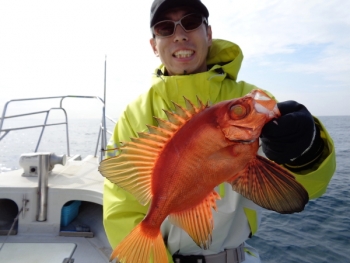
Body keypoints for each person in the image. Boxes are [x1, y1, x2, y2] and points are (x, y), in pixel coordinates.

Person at [103, 0, 336, 262]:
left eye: (190, 22)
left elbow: (303, 191)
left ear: (209, 33)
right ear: (154, 45)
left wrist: (307, 151)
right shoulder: (133, 115)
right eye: (165, 27)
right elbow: (121, 208)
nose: (179, 34)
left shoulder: (247, 100)